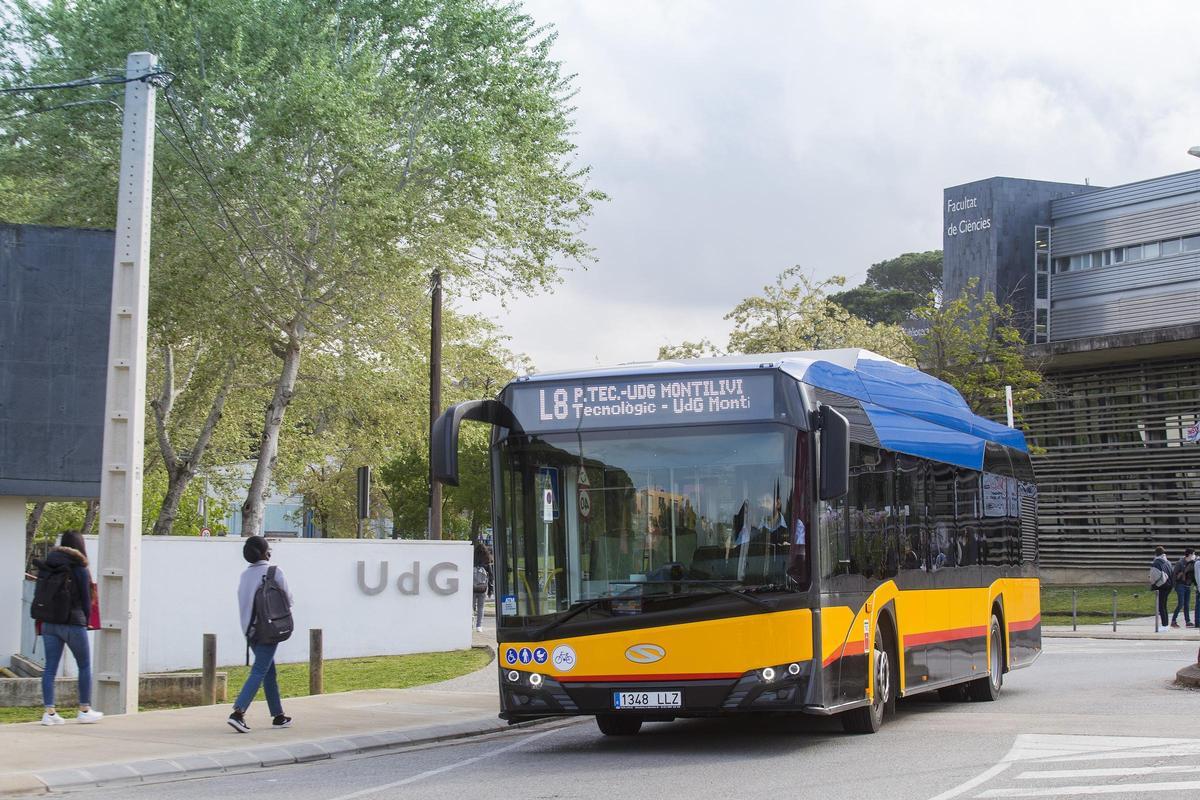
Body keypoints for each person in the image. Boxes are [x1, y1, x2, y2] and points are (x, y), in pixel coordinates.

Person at [37, 531, 103, 725]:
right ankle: (84, 709)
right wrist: (87, 620)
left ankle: (49, 713)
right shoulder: (80, 568)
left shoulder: (47, 566)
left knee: (50, 668)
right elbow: (85, 599)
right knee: (84, 666)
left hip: (49, 624)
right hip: (73, 623)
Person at [228, 535, 292, 733]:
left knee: (268, 671)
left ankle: (278, 716)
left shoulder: (244, 576)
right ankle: (238, 713)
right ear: (266, 552)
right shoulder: (274, 572)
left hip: (250, 631)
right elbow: (288, 599)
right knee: (259, 671)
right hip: (269, 629)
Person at [1171, 548, 1197, 628]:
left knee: (1187, 604)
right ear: (1189, 554)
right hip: (1180, 585)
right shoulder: (1180, 563)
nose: (1194, 556)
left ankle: (1188, 621)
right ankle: (1173, 620)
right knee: (1181, 603)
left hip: (1188, 586)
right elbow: (1174, 575)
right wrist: (1174, 586)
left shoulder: (1193, 563)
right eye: (1193, 554)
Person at [472, 538, 493, 633]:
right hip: (483, 588)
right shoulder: (487, 561)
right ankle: (479, 626)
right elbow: (491, 576)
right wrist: (490, 590)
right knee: (481, 607)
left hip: (472, 587)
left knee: (471, 607)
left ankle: (470, 623)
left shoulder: (472, 560)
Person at [1150, 546, 1174, 631]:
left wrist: (1153, 584)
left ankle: (1164, 625)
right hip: (1169, 585)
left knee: (1161, 606)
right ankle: (1166, 624)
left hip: (1161, 586)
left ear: (1156, 553)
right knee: (1164, 605)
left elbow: (1154, 576)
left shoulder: (1156, 563)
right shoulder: (1168, 562)